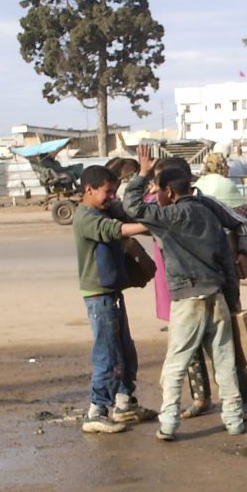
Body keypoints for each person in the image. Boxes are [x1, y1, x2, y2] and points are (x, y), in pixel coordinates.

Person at [123, 157, 245, 440]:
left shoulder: (170, 216)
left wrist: (141, 175)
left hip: (187, 299)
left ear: (169, 192)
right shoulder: (209, 214)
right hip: (216, 295)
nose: (157, 196)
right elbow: (226, 259)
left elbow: (133, 207)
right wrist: (233, 297)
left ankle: (168, 423)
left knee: (176, 364)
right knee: (224, 363)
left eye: (158, 190)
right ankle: (234, 420)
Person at [148, 155, 247, 422]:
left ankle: (242, 403)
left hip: (209, 285)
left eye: (158, 184)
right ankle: (208, 401)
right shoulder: (172, 209)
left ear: (171, 188)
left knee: (223, 348)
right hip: (199, 284)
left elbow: (242, 222)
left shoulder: (204, 206)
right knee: (204, 348)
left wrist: (244, 252)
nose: (154, 190)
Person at [73, 165, 156, 434]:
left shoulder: (104, 209)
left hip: (111, 294)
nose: (112, 197)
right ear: (89, 190)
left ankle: (124, 404)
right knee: (107, 355)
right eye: (107, 192)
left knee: (124, 351)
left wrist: (143, 178)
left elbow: (126, 214)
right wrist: (150, 225)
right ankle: (96, 411)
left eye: (114, 192)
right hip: (99, 296)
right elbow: (113, 230)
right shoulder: (86, 218)